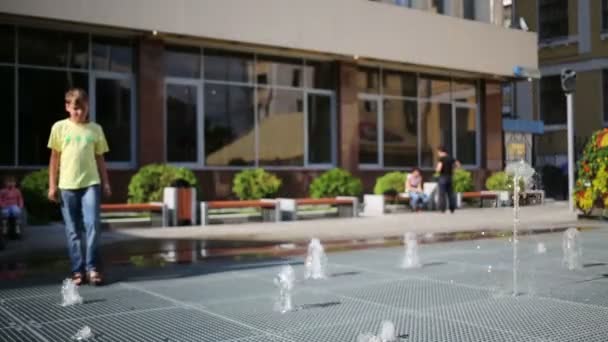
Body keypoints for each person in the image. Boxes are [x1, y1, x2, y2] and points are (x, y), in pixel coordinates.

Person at [47, 88, 111, 286]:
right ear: (67, 107)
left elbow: (100, 158)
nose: (79, 113)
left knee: (92, 226)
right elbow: (54, 159)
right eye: (75, 109)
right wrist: (52, 185)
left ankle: (93, 269)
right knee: (73, 231)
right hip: (67, 186)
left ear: (88, 107)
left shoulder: (96, 129)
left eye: (82, 109)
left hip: (91, 184)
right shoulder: (59, 128)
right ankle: (78, 270)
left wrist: (106, 182)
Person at [435, 146, 460, 213]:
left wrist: (437, 170)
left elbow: (439, 168)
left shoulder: (441, 159)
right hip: (450, 177)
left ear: (441, 151)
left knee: (442, 194)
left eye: (438, 152)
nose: (438, 154)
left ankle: (443, 209)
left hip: (443, 177)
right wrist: (454, 170)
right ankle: (452, 208)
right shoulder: (451, 158)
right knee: (450, 193)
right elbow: (458, 164)